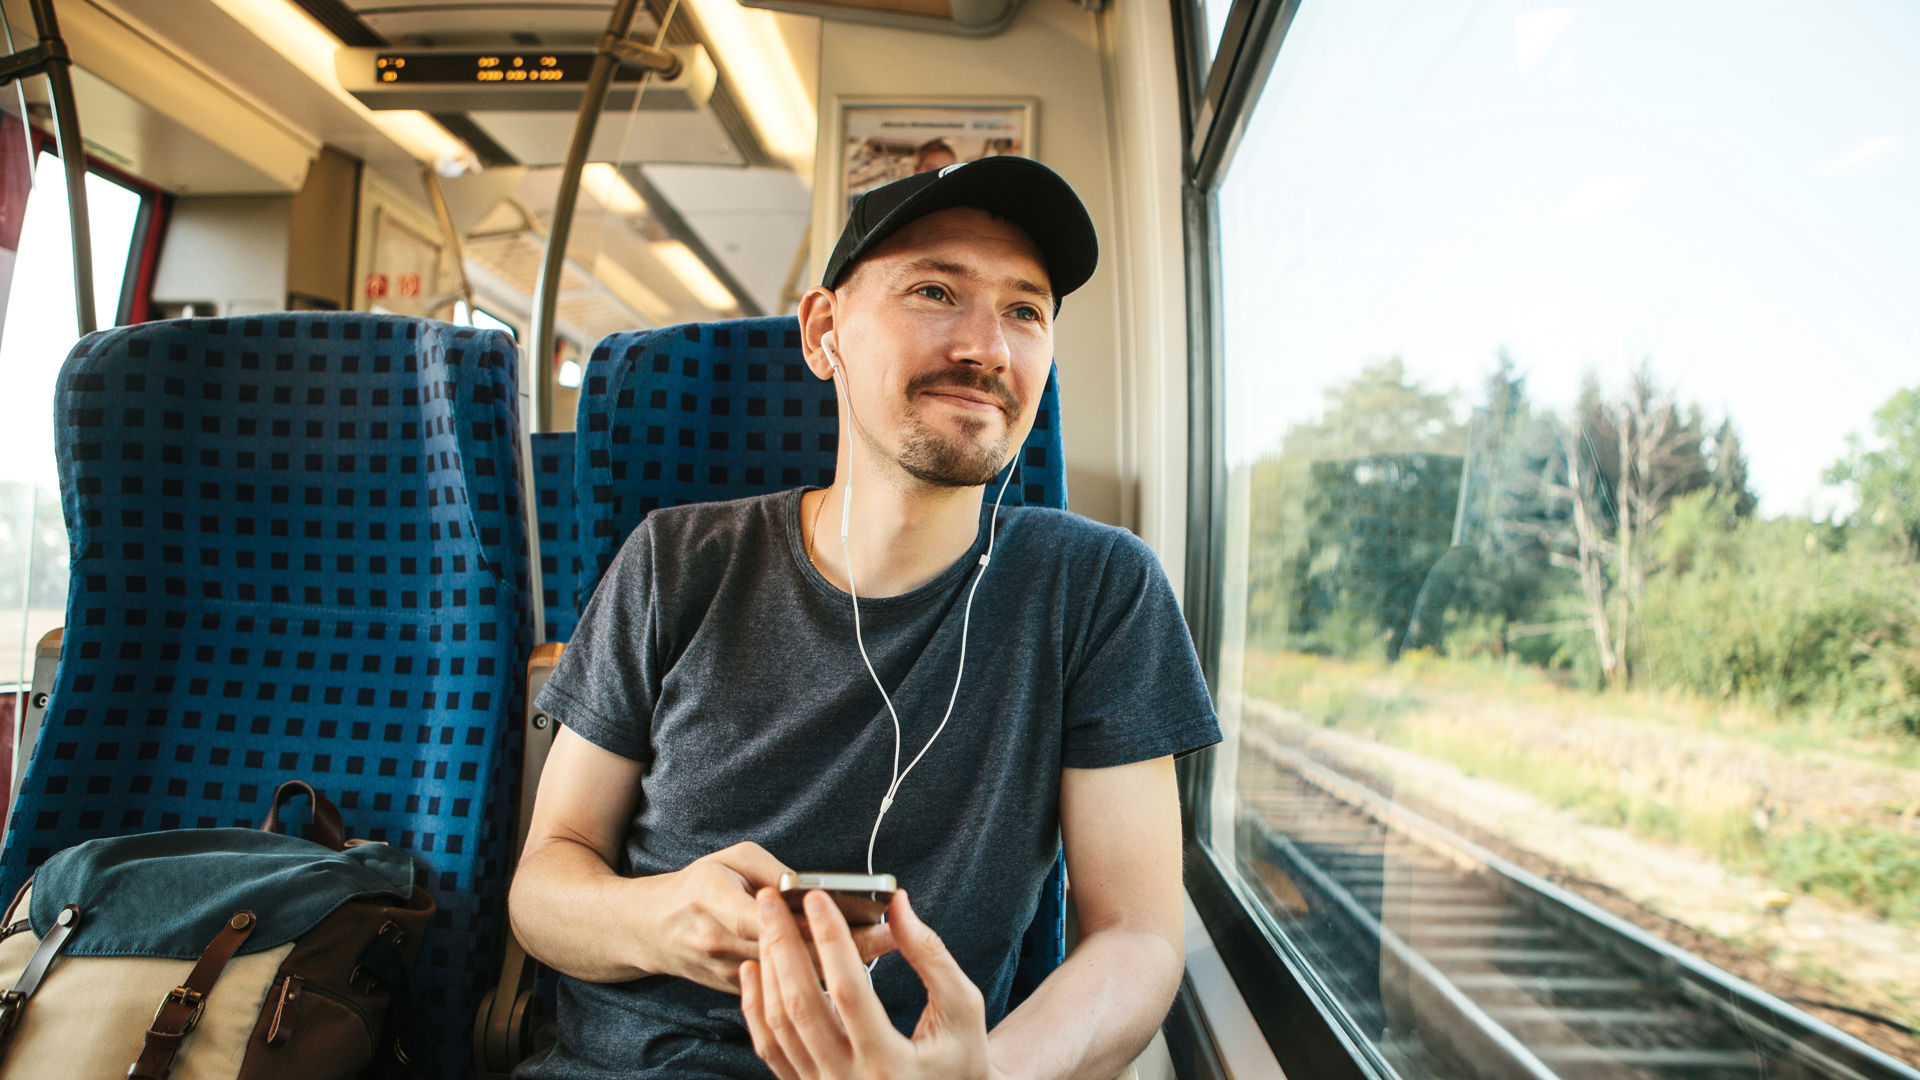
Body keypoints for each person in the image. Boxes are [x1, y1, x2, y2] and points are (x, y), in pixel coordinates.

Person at [508, 156, 1219, 1080]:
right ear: (824, 331)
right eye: (935, 291)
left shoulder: (1097, 590)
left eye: (1025, 311)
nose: (988, 348)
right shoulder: (675, 561)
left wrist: (986, 1076)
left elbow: (1137, 937)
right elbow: (543, 885)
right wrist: (663, 920)